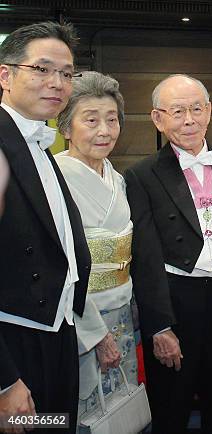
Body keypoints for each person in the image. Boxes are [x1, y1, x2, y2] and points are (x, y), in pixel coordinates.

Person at [124, 74, 212, 434]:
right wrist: (159, 326)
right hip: (177, 301)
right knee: (171, 407)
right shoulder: (142, 175)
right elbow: (145, 258)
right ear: (158, 118)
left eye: (197, 109)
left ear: (209, 111)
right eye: (178, 111)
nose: (189, 120)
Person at [0, 22, 91, 434]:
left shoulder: (39, 141)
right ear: (5, 74)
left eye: (66, 73)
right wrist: (4, 382)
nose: (56, 83)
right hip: (15, 345)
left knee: (56, 427)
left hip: (59, 332)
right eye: (41, 69)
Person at [54, 71, 138, 426]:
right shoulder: (53, 181)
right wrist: (97, 335)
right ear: (66, 127)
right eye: (91, 120)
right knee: (81, 413)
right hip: (79, 321)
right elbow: (59, 268)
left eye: (112, 119)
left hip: (122, 310)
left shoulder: (116, 177)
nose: (105, 130)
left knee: (121, 411)